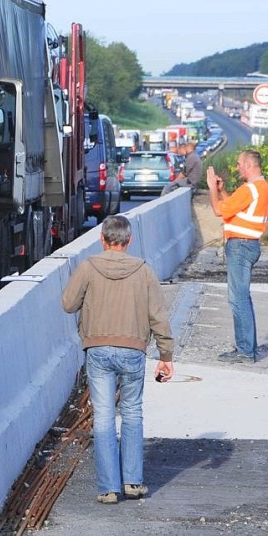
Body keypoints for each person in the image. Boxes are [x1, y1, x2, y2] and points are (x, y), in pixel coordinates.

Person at [61, 215, 174, 504]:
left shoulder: (88, 267)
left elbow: (68, 304)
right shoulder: (143, 271)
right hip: (133, 349)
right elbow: (158, 315)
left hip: (98, 349)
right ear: (129, 240)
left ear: (102, 239)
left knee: (103, 417)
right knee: (133, 413)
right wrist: (166, 355)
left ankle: (108, 488)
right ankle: (133, 482)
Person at [206, 150, 268, 363]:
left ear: (249, 165)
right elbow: (235, 209)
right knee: (243, 297)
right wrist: (223, 192)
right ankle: (246, 346)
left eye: (240, 163)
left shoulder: (249, 189)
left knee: (238, 299)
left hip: (240, 246)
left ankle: (244, 351)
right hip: (249, 245)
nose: (237, 167)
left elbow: (217, 210)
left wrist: (212, 188)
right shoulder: (262, 188)